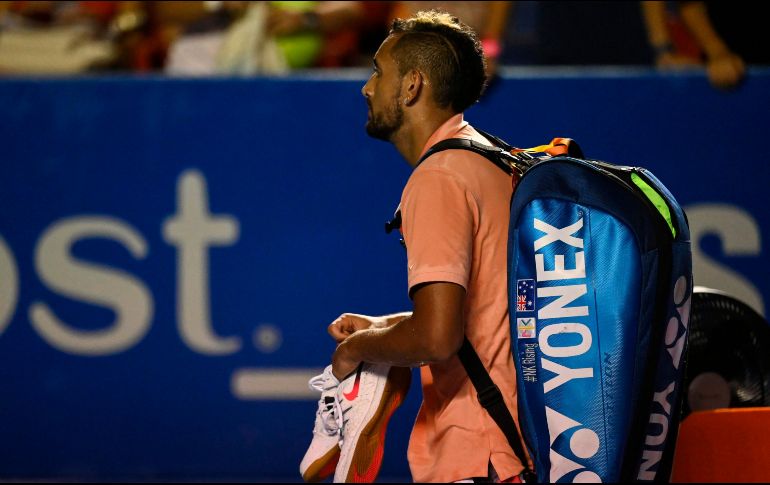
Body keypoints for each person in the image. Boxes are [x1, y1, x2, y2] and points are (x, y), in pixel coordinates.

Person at [327, 10, 528, 483]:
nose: (367, 88)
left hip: (481, 454)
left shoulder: (437, 177)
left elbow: (439, 337)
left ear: (412, 85)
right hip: (520, 448)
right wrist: (387, 328)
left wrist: (358, 349)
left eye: (379, 72)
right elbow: (487, 312)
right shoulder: (492, 159)